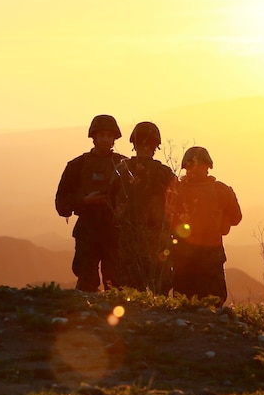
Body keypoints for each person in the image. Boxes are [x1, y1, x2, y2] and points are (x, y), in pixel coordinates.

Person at [55, 114, 126, 292]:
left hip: (115, 231)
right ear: (93, 137)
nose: (105, 139)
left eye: (109, 136)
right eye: (101, 135)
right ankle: (85, 318)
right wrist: (84, 201)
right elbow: (61, 203)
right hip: (87, 230)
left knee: (116, 284)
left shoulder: (124, 165)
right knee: (86, 282)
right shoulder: (77, 166)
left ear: (114, 138)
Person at [165, 146, 242, 304]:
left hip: (199, 257)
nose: (196, 170)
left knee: (194, 302)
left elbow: (235, 218)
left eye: (200, 165)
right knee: (202, 302)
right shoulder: (218, 190)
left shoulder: (218, 190)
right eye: (194, 166)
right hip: (195, 257)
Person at [112, 121, 176, 294]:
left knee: (132, 289)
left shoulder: (122, 169)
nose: (146, 147)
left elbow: (111, 200)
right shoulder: (164, 172)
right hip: (150, 238)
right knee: (156, 287)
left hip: (135, 237)